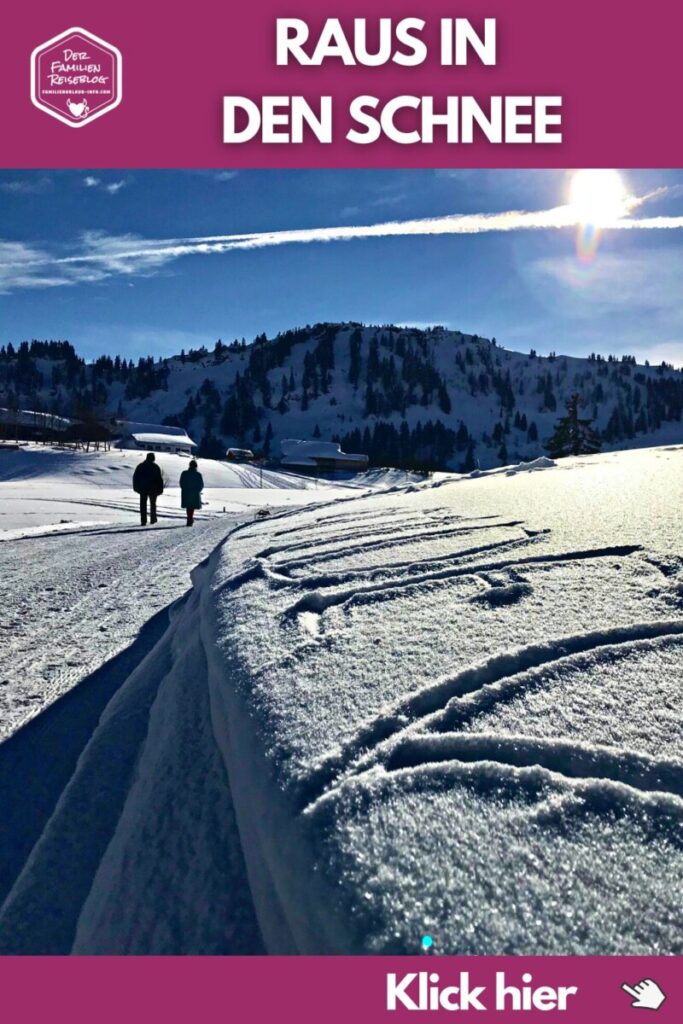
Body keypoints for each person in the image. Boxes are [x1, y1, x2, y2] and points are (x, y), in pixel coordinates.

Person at [132, 452, 164, 526]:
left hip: (143, 488)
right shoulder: (155, 467)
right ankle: (153, 519)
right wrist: (160, 489)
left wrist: (136, 487)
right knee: (153, 505)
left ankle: (143, 520)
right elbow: (159, 479)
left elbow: (135, 478)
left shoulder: (141, 466)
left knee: (143, 505)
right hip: (153, 489)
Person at [179, 459, 204, 526]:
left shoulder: (184, 473)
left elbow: (181, 483)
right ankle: (190, 518)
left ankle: (189, 518)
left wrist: (184, 489)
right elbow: (201, 485)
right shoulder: (198, 475)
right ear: (196, 466)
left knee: (188, 506)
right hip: (195, 493)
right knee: (192, 507)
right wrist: (197, 490)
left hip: (186, 493)